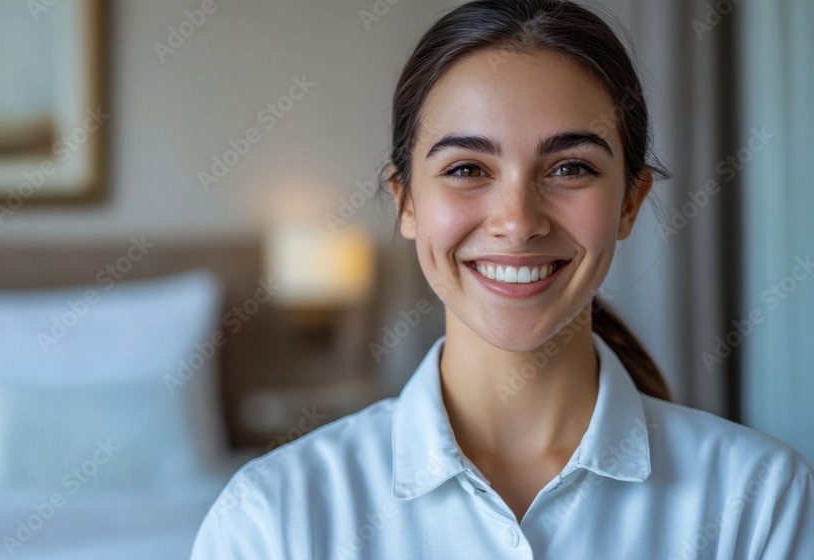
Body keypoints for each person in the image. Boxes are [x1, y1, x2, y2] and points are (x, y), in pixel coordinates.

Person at [190, 1, 814, 557]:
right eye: (467, 169)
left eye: (571, 167)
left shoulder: (758, 502)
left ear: (630, 202)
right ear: (406, 201)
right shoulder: (272, 520)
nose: (517, 223)